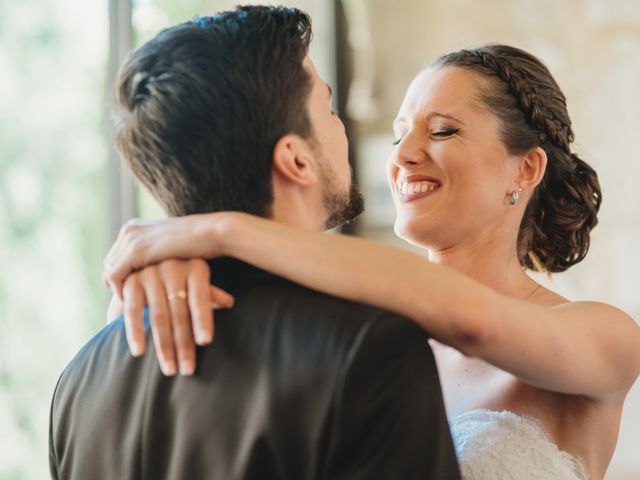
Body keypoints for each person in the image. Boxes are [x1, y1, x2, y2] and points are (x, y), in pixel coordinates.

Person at [104, 42, 640, 480]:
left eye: (443, 130)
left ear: (525, 171)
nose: (404, 154)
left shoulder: (607, 335)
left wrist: (220, 229)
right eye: (401, 131)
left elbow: (473, 321)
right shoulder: (354, 332)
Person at [49, 6, 462, 480]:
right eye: (327, 109)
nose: (340, 125)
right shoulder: (371, 350)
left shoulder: (80, 378)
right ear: (296, 160)